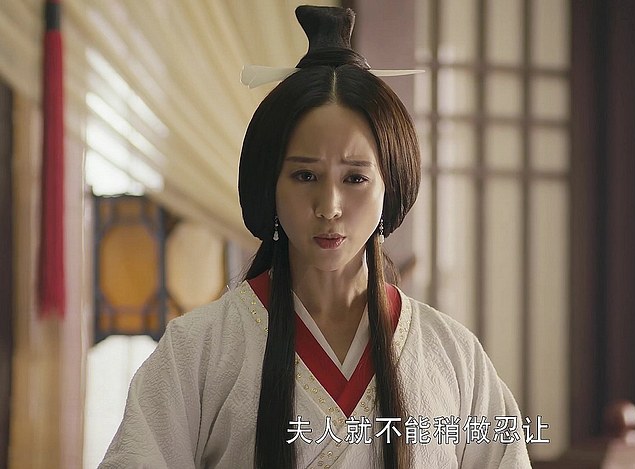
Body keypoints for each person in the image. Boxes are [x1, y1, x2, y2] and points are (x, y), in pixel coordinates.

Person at [100, 5, 532, 469]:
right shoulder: (199, 349)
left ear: (390, 188)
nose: (329, 206)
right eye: (305, 176)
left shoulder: (453, 355)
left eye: (355, 178)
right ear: (271, 185)